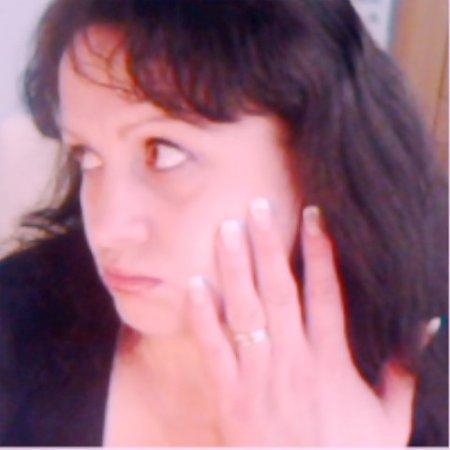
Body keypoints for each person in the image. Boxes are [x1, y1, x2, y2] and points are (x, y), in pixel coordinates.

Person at [0, 0, 447, 446]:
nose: (106, 229)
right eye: (87, 156)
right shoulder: (18, 320)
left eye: (164, 152)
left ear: (319, 159)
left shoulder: (426, 379)